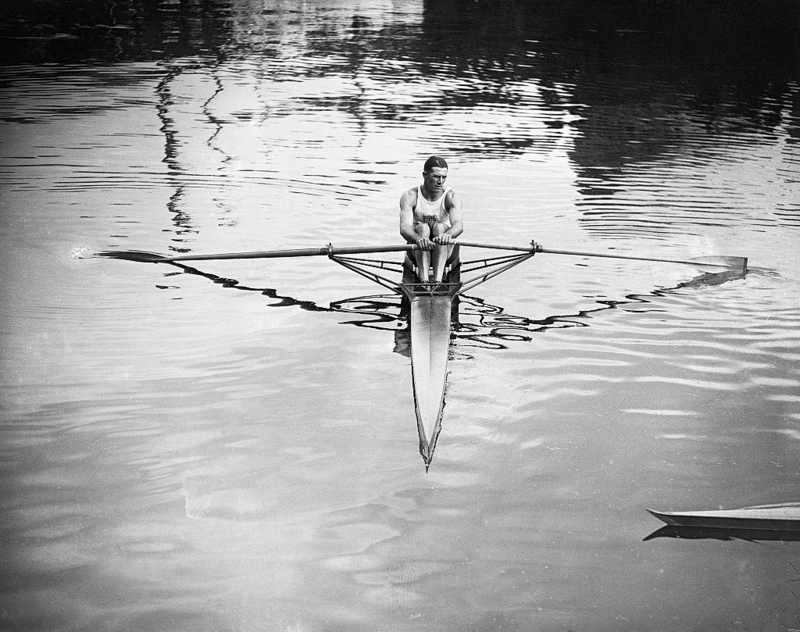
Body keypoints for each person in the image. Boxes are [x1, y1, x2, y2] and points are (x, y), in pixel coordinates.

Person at [399, 155, 464, 283]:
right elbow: (404, 228)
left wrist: (447, 235)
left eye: (443, 177)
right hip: (418, 248)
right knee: (422, 228)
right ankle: (424, 281)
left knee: (440, 227)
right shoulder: (410, 196)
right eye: (436, 177)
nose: (440, 181)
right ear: (425, 175)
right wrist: (419, 239)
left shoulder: (451, 196)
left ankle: (437, 281)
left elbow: (458, 225)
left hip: (446, 249)